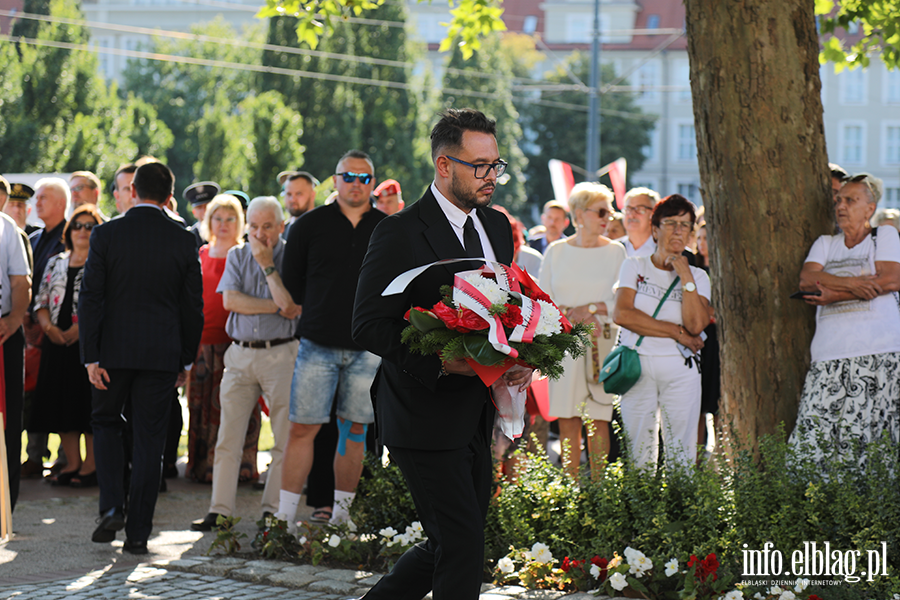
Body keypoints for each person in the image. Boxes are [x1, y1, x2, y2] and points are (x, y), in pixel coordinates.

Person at [352, 108, 523, 600]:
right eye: (480, 166)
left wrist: (518, 353)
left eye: (496, 164)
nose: (492, 177)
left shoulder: (495, 226)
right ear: (444, 165)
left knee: (449, 543)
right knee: (462, 543)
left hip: (475, 412)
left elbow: (504, 309)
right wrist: (439, 361)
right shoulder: (398, 232)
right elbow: (367, 323)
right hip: (419, 412)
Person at [79, 161, 203, 554]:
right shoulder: (184, 240)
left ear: (132, 191)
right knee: (151, 440)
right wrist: (185, 359)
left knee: (105, 421)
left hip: (112, 352)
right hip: (161, 353)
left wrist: (91, 355)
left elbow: (91, 298)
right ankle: (138, 533)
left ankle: (112, 504)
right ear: (170, 196)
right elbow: (192, 308)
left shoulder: (106, 234)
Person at [276, 150, 385, 527]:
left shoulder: (388, 228)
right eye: (348, 176)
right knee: (301, 429)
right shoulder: (307, 226)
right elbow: (293, 285)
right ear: (335, 180)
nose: (356, 184)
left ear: (372, 183)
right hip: (317, 344)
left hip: (367, 350)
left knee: (356, 430)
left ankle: (342, 518)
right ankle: (284, 520)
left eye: (364, 178)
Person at [191, 196, 300, 531]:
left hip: (281, 353)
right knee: (228, 436)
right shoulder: (237, 255)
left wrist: (267, 266)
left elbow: (293, 306)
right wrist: (275, 305)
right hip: (238, 354)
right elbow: (231, 301)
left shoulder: (292, 257)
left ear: (280, 226)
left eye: (267, 226)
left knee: (282, 438)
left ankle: (272, 511)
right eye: (253, 226)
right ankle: (220, 510)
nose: (259, 233)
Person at [790, 173, 900, 470]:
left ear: (870, 207)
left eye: (851, 200)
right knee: (815, 437)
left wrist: (834, 294)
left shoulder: (884, 236)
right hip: (829, 355)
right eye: (839, 200)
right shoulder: (825, 243)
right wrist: (856, 285)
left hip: (879, 354)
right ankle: (817, 507)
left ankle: (869, 513)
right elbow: (807, 280)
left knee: (875, 440)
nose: (841, 205)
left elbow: (890, 279)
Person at [612, 194, 710, 469]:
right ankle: (642, 510)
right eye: (671, 223)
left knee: (682, 455)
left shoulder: (699, 277)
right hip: (637, 366)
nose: (679, 230)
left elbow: (696, 325)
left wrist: (686, 277)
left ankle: (679, 510)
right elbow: (623, 314)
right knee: (639, 453)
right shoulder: (634, 265)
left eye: (685, 224)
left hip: (681, 371)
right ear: (655, 229)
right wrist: (677, 333)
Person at [539, 183, 626, 479]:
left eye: (610, 210)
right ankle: (571, 486)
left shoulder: (616, 252)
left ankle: (600, 493)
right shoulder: (556, 251)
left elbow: (623, 301)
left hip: (601, 345)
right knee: (567, 417)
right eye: (601, 210)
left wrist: (589, 309)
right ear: (579, 214)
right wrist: (564, 316)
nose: (608, 217)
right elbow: (542, 299)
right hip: (563, 344)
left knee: (599, 416)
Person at [185, 194, 261, 484]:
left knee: (240, 405)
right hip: (204, 342)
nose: (224, 224)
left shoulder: (246, 254)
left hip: (238, 342)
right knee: (200, 405)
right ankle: (202, 464)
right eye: (218, 218)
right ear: (208, 221)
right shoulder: (200, 254)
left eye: (231, 218)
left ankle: (242, 465)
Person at [30, 205, 103, 487]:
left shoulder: (101, 263)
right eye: (78, 225)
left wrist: (80, 330)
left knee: (86, 406)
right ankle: (72, 464)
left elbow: (105, 304)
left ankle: (91, 467)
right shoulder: (55, 262)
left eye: (90, 226)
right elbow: (41, 300)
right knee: (62, 407)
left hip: (88, 348)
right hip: (56, 344)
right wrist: (48, 328)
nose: (83, 231)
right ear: (69, 231)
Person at [21, 178, 69, 480]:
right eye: (36, 198)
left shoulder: (70, 234)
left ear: (61, 204)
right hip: (32, 330)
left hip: (60, 331)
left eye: (43, 198)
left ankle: (66, 458)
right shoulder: (35, 238)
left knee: (61, 394)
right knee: (32, 396)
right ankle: (35, 454)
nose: (36, 203)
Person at [0, 181, 33, 511]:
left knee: (6, 418)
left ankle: (3, 502)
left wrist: (13, 320)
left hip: (3, 333)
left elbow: (21, 281)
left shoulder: (7, 229)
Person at [695, 224, 720, 456]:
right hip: (700, 341)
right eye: (699, 237)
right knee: (698, 404)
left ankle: (723, 455)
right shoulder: (693, 269)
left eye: (707, 237)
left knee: (718, 401)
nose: (702, 242)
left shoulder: (724, 271)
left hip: (719, 342)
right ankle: (696, 459)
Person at [618, 187, 660, 258]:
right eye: (628, 209)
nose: (631, 215)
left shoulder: (668, 251)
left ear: (654, 214)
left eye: (640, 209)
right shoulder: (612, 249)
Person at [280, 171, 318, 237]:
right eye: (289, 194)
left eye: (298, 194)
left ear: (312, 195)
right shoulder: (281, 232)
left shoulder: (324, 227)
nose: (292, 199)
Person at [184, 181, 221, 247]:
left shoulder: (223, 230)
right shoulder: (187, 236)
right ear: (194, 212)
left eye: (207, 205)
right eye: (199, 207)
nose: (204, 210)